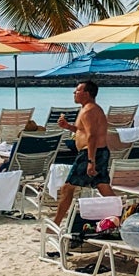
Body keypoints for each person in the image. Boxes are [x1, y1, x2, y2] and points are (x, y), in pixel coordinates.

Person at [54, 80, 115, 225]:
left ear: (87, 94)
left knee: (67, 187)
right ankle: (122, 216)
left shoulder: (89, 110)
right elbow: (83, 131)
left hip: (91, 153)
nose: (74, 93)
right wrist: (68, 126)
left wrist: (90, 161)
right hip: (97, 152)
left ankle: (55, 224)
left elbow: (92, 136)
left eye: (77, 91)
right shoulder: (86, 109)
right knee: (103, 187)